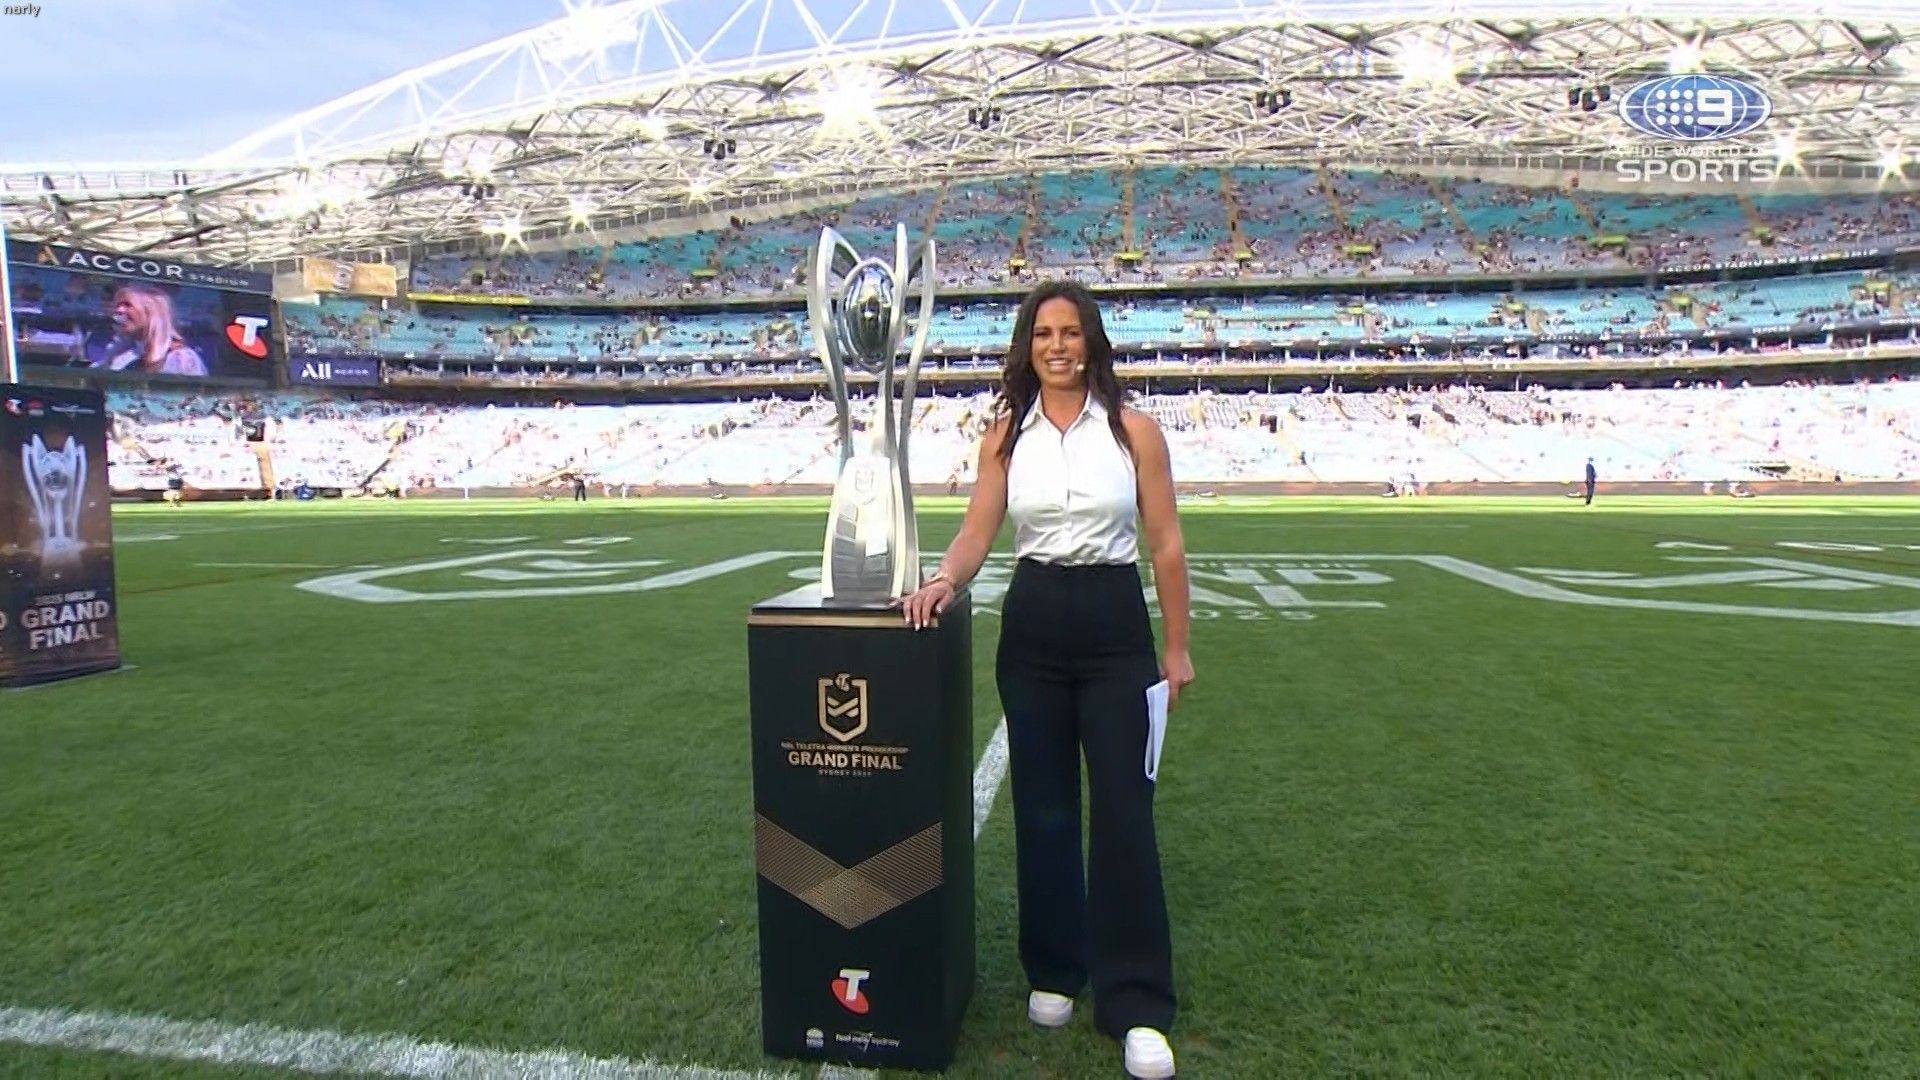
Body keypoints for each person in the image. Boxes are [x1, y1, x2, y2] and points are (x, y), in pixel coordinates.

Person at [896, 280, 1195, 1080]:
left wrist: (1176, 648)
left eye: (1069, 331)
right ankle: (1055, 968)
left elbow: (1165, 543)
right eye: (1042, 334)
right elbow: (977, 530)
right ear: (1027, 348)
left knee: (1125, 813)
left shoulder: (1135, 432)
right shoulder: (1004, 436)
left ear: (1091, 341)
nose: (1056, 346)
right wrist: (944, 580)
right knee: (1044, 807)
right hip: (1032, 627)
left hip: (1113, 627)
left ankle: (1136, 1001)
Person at [76, 284, 207, 377]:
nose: (119, 310)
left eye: (128, 305)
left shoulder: (180, 357)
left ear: (150, 313)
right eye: (118, 305)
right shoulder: (122, 353)